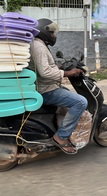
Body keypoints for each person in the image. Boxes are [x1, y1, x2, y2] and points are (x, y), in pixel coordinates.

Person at [28, 19, 87, 155]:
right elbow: (45, 72)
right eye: (52, 33)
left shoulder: (37, 44)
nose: (54, 36)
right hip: (46, 90)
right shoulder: (39, 47)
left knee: (67, 93)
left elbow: (42, 68)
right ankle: (60, 136)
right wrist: (67, 73)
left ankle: (58, 125)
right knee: (80, 102)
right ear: (44, 32)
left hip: (42, 86)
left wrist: (59, 67)